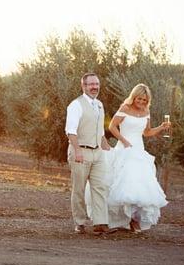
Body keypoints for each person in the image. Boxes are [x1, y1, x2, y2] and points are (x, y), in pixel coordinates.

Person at [106, 83, 170, 233]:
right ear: (133, 97)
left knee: (139, 184)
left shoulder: (146, 111)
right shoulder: (125, 108)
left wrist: (161, 127)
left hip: (139, 150)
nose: (141, 102)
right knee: (121, 182)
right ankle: (120, 219)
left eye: (144, 100)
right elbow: (112, 127)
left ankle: (134, 220)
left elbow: (146, 132)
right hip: (125, 148)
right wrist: (124, 141)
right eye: (139, 99)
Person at [65, 72, 113, 235]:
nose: (94, 87)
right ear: (83, 86)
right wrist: (77, 151)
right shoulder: (75, 105)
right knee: (78, 188)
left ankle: (100, 223)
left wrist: (107, 147)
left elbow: (100, 131)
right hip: (81, 151)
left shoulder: (99, 105)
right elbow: (70, 131)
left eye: (96, 84)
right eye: (91, 84)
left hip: (97, 152)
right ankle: (79, 222)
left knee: (100, 187)